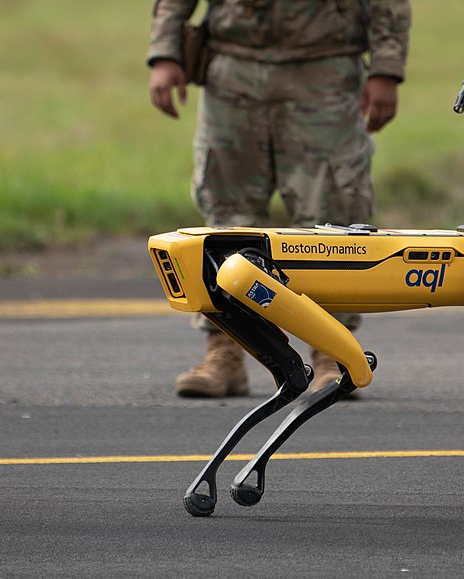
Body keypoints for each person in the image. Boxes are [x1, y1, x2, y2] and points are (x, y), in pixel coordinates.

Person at [147, 0, 411, 398]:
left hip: (324, 72)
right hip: (233, 70)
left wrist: (386, 69)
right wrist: (165, 54)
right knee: (225, 220)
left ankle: (331, 354)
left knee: (331, 220)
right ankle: (225, 351)